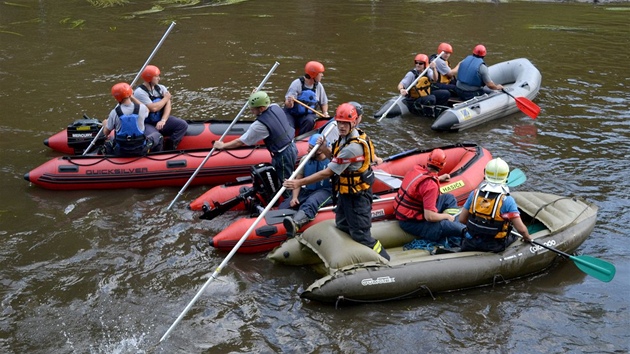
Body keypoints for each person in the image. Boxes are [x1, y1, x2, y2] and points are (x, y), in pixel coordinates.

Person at [283, 103, 390, 261]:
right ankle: (352, 256)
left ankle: (384, 259)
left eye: (345, 123)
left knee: (362, 235)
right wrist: (325, 148)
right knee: (342, 224)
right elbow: (334, 156)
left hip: (358, 196)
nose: (341, 126)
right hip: (346, 193)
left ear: (353, 123)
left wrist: (299, 183)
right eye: (339, 122)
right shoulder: (343, 139)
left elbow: (328, 172)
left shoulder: (352, 147)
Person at [213, 91, 298, 188]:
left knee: (285, 183)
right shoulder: (275, 106)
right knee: (285, 176)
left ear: (261, 108)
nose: (251, 111)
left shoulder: (259, 125)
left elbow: (240, 142)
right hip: (292, 147)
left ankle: (288, 200)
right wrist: (255, 96)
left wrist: (223, 145)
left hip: (283, 156)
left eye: (253, 109)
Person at [393, 148, 466, 245]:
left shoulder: (416, 169)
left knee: (449, 198)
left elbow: (421, 183)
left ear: (428, 160)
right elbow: (429, 217)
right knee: (447, 225)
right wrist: (446, 216)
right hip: (411, 222)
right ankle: (461, 229)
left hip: (410, 213)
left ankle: (454, 222)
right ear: (443, 165)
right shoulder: (431, 186)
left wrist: (438, 178)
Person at [459, 158, 533, 252]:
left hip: (470, 242)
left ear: (485, 173)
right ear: (506, 175)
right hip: (494, 246)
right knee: (514, 235)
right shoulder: (507, 200)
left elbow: (462, 219)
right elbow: (521, 230)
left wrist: (479, 228)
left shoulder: (474, 194)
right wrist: (527, 237)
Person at [281, 133, 333, 237]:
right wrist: (294, 197)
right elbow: (298, 179)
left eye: (310, 148)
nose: (308, 151)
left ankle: (296, 224)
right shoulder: (305, 159)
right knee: (285, 206)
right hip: (308, 190)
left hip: (327, 191)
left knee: (311, 202)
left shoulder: (331, 161)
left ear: (318, 150)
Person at [133, 65, 188, 150]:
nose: (159, 78)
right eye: (156, 76)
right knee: (157, 137)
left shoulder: (161, 88)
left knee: (182, 125)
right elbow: (154, 108)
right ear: (149, 78)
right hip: (146, 123)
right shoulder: (139, 92)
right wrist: (165, 98)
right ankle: (157, 154)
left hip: (160, 120)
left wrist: (163, 120)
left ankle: (170, 148)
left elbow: (168, 105)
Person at [103, 82, 162, 156]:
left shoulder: (114, 112)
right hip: (140, 149)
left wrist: (105, 124)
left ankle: (112, 162)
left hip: (121, 150)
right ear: (130, 94)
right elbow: (147, 110)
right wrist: (133, 97)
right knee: (158, 136)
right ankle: (154, 158)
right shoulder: (142, 108)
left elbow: (106, 132)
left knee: (108, 141)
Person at [283, 61, 330, 134]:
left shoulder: (319, 86)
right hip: (292, 114)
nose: (322, 75)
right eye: (320, 73)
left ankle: (301, 140)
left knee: (310, 120)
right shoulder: (296, 84)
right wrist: (290, 102)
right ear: (314, 75)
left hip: (306, 116)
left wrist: (325, 112)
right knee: (288, 126)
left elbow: (324, 103)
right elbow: (288, 105)